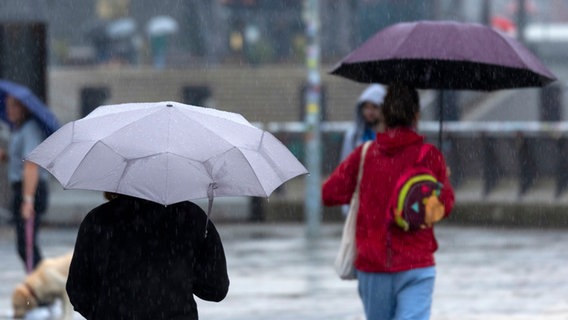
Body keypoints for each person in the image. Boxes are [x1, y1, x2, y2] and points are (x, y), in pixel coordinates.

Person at [322, 83, 455, 320]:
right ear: (416, 115)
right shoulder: (431, 156)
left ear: (384, 114)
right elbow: (446, 206)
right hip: (418, 264)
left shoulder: (365, 154)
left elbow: (329, 194)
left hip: (374, 267)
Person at [66, 193, 230, 320]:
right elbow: (216, 289)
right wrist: (180, 275)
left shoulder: (98, 219)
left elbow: (78, 290)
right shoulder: (193, 217)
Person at [0, 95, 49, 271]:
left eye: (14, 106)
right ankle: (40, 287)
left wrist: (28, 200)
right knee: (25, 245)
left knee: (26, 246)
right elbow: (20, 159)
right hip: (22, 189)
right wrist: (5, 156)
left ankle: (42, 288)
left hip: (30, 190)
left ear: (25, 108)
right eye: (7, 106)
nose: (9, 111)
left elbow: (31, 165)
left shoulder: (30, 130)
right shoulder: (18, 130)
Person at [340, 83, 386, 161]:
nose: (370, 112)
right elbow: (345, 164)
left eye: (375, 107)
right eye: (366, 107)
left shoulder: (392, 135)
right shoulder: (354, 136)